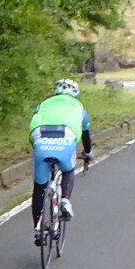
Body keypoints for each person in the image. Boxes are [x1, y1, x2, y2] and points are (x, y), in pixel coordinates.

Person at [29, 78, 92, 239]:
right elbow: (86, 136)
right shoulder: (80, 109)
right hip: (66, 137)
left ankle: (38, 227)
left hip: (40, 136)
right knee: (68, 170)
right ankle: (64, 200)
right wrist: (87, 153)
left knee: (39, 188)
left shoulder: (44, 104)